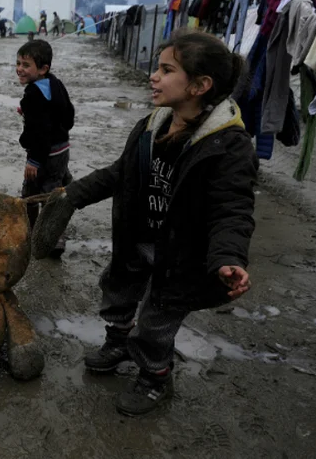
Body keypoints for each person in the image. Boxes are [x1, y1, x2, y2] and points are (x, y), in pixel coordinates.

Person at [37, 29, 257, 416]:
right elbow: (120, 173)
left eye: (166, 69)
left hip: (181, 255)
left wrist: (228, 256)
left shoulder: (229, 147)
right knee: (118, 290)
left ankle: (155, 376)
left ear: (200, 86)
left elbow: (232, 209)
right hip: (137, 236)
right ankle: (118, 340)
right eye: (157, 67)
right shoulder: (152, 126)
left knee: (157, 319)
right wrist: (73, 195)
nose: (153, 76)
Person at [16, 40, 74, 256]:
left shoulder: (32, 94)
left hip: (44, 155)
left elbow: (38, 132)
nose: (19, 69)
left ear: (42, 69)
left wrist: (33, 160)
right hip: (62, 150)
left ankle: (34, 233)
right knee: (55, 188)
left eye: (26, 65)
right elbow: (68, 114)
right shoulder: (54, 83)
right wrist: (29, 112)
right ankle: (52, 235)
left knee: (31, 193)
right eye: (18, 63)